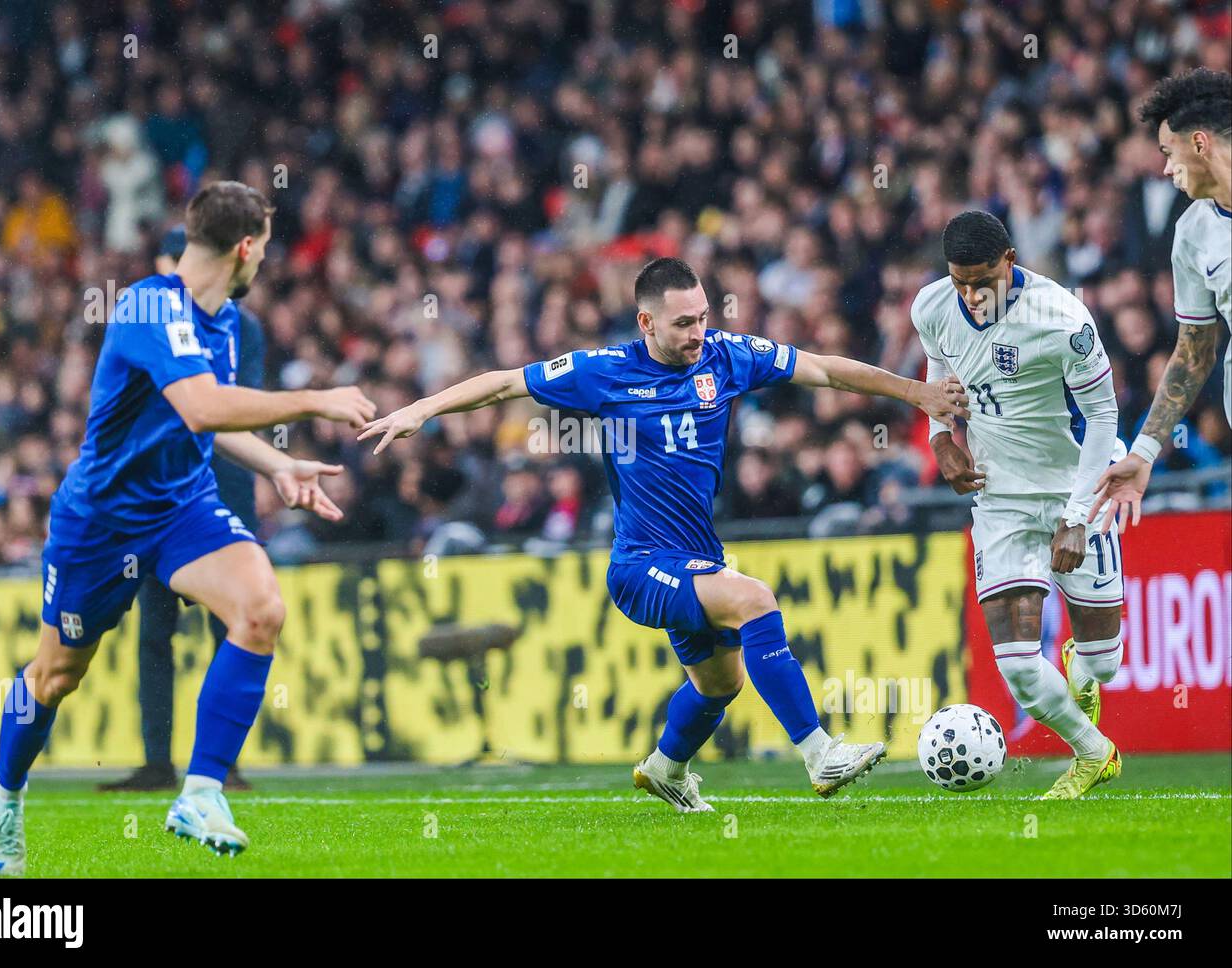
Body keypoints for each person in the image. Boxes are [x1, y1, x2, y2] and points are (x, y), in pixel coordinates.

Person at [358, 256, 968, 811]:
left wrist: (915, 392)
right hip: (639, 564)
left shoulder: (726, 356)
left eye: (702, 317)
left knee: (719, 683)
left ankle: (666, 767)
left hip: (696, 559)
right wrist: (421, 409)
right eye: (682, 324)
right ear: (645, 321)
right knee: (755, 599)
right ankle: (819, 753)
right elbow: (502, 383)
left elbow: (825, 372)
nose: (697, 332)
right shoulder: (603, 372)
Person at [0, 181, 377, 874]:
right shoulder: (146, 305)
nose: (264, 264)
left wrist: (276, 465)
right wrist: (317, 398)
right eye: (265, 251)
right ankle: (4, 797)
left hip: (181, 507)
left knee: (260, 609)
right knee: (54, 678)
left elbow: (208, 420)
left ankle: (199, 791)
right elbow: (200, 407)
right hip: (100, 522)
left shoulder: (222, 317)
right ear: (246, 246)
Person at [914, 211, 1123, 800]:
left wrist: (1077, 517)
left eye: (983, 279)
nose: (972, 295)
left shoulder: (1064, 320)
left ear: (1010, 258)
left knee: (1104, 665)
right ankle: (1093, 751)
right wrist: (940, 439)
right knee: (1018, 663)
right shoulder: (930, 306)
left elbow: (1105, 416)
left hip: (1074, 487)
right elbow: (938, 372)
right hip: (998, 497)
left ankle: (1084, 654)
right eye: (960, 281)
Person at [97, 225, 264, 793]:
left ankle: (221, 762)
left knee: (234, 627)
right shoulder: (149, 320)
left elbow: (234, 409)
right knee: (154, 635)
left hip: (220, 496)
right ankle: (157, 760)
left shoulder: (242, 325)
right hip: (159, 502)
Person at [1092, 69, 1231, 531]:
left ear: (1199, 143)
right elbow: (1194, 350)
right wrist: (1145, 450)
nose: (1166, 169)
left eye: (1169, 154)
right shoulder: (1192, 234)